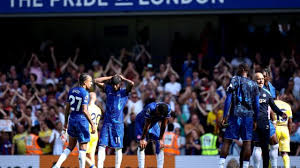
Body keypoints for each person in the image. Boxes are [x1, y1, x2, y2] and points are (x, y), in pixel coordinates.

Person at [219, 63, 260, 168]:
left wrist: (225, 116)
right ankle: (245, 166)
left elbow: (228, 99)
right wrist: (256, 119)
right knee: (247, 142)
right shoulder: (254, 84)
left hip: (235, 115)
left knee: (227, 140)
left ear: (240, 70)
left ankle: (220, 166)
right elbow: (257, 105)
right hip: (248, 117)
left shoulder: (234, 80)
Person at [53, 73, 96, 168]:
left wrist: (65, 123)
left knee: (70, 146)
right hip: (81, 121)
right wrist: (92, 124)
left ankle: (57, 165)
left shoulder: (71, 91)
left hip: (72, 119)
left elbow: (67, 108)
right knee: (83, 148)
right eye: (90, 81)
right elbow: (85, 110)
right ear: (85, 82)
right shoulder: (85, 93)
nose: (91, 83)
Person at [246, 72, 286, 168]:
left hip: (264, 121)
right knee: (264, 145)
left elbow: (273, 106)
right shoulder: (249, 93)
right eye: (258, 79)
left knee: (266, 144)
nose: (261, 81)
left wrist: (281, 113)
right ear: (254, 81)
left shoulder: (266, 93)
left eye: (262, 79)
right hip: (256, 122)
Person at [94, 74, 134, 168]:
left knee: (118, 147)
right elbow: (96, 80)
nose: (115, 86)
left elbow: (131, 83)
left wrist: (123, 78)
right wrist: (110, 77)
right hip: (107, 123)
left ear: (120, 84)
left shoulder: (124, 92)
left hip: (118, 125)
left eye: (117, 84)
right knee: (101, 145)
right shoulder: (108, 89)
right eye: (113, 84)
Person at [135, 102, 171, 168]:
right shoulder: (151, 107)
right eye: (158, 114)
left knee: (160, 145)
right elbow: (147, 125)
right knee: (142, 145)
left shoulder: (168, 109)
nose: (159, 116)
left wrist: (161, 139)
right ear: (157, 109)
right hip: (141, 123)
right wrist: (142, 139)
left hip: (154, 124)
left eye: (161, 115)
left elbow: (164, 124)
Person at [274, 97, 293, 168]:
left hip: (275, 128)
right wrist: (289, 133)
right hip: (285, 128)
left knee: (272, 151)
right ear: (279, 96)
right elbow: (290, 122)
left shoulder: (270, 104)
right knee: (284, 153)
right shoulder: (287, 105)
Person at [86, 92, 102, 168]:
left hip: (87, 133)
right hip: (95, 134)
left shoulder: (86, 108)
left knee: (81, 154)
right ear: (95, 99)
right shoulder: (98, 109)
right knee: (91, 155)